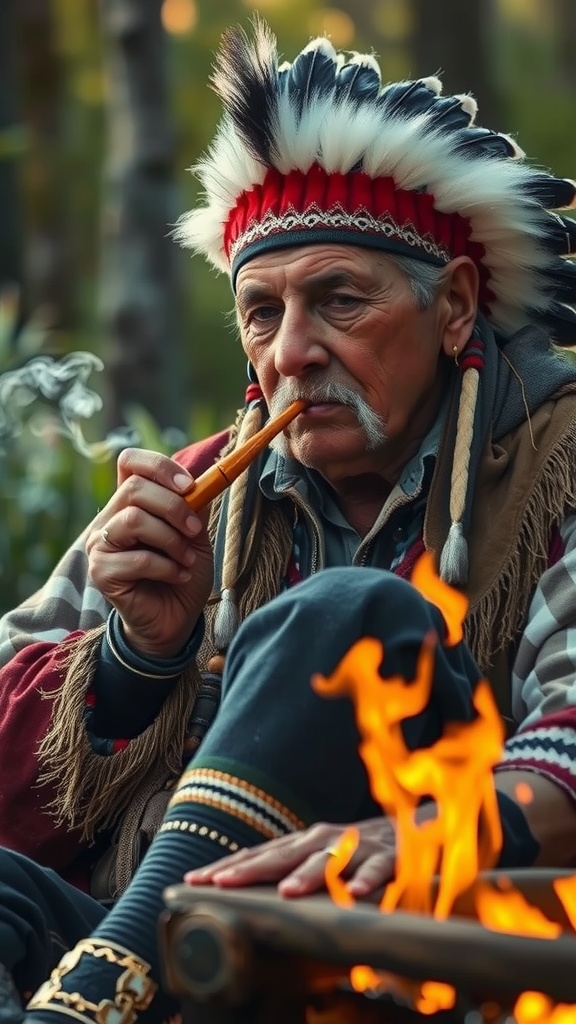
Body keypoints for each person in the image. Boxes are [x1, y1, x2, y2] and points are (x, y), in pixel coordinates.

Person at [2, 14, 576, 1023]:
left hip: (417, 944)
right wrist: (140, 658)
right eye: (261, 312)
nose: (290, 354)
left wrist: (440, 827)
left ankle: (87, 1003)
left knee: (344, 616)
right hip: (189, 950)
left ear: (454, 306)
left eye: (339, 301)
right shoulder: (186, 498)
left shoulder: (559, 468)